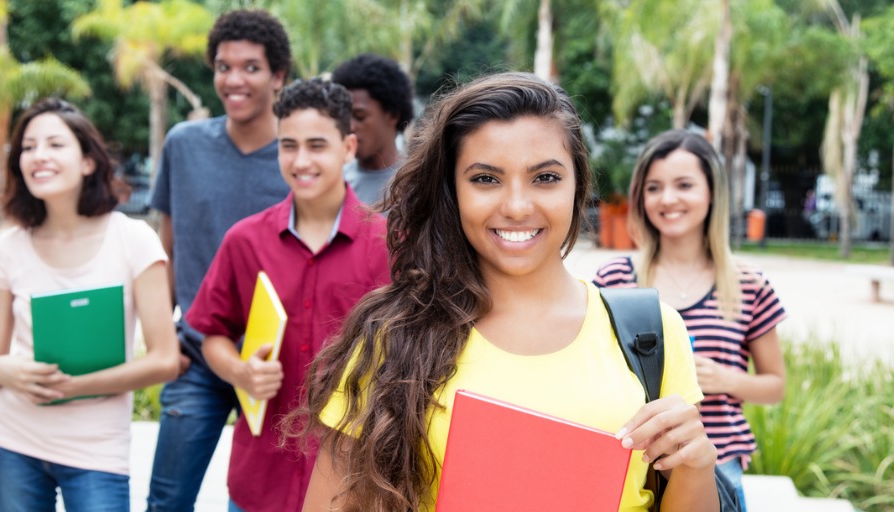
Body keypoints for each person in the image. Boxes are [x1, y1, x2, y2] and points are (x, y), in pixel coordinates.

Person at [296, 73, 719, 512]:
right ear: (452, 192)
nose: (517, 206)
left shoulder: (651, 334)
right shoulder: (395, 335)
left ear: (577, 185)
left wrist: (695, 467)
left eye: (545, 178)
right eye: (485, 179)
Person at [187, 78, 390, 512]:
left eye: (317, 145)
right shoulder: (245, 240)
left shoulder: (391, 244)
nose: (301, 161)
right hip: (259, 481)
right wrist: (240, 371)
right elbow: (213, 336)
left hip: (352, 486)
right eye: (288, 145)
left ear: (348, 147)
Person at [0, 98, 179, 511]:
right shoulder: (8, 249)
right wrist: (6, 370)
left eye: (54, 144)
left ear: (88, 162)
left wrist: (74, 387)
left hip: (96, 449)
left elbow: (165, 360)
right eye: (29, 148)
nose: (39, 156)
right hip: (12, 439)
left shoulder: (133, 240)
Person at [145, 9, 293, 511]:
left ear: (278, 77)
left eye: (251, 67)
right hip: (197, 355)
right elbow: (164, 252)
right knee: (166, 501)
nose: (234, 80)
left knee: (257, 504)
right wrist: (162, 342)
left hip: (277, 362)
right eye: (223, 67)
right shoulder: (183, 146)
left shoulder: (299, 161)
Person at [594, 129, 787, 509]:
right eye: (654, 188)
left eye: (684, 185)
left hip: (718, 465)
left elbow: (776, 386)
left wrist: (726, 379)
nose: (668, 199)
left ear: (711, 192)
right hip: (634, 462)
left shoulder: (748, 284)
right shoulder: (614, 279)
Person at [330, 53, 414, 207]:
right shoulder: (333, 183)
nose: (349, 126)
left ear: (393, 115)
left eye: (359, 116)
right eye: (343, 115)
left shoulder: (418, 185)